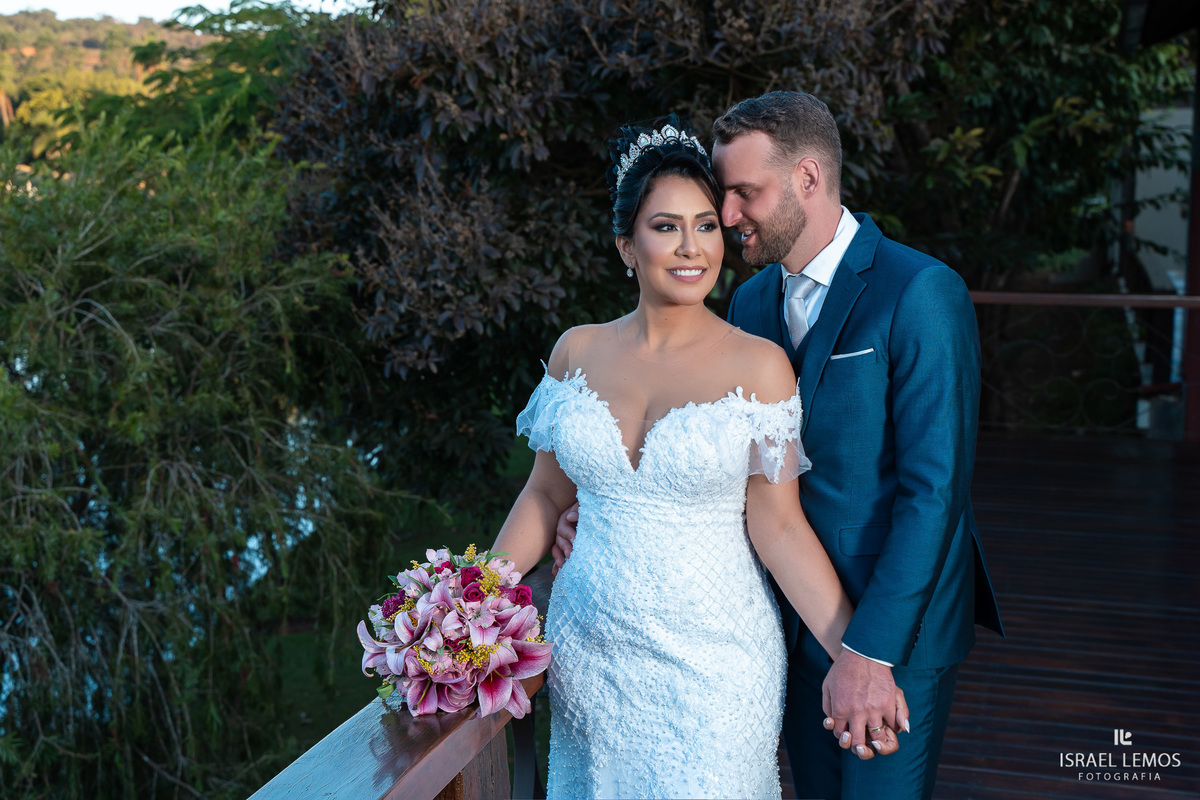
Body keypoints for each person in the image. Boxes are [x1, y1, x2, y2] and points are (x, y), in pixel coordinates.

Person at [556, 92, 1005, 800]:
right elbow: (742, 469)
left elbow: (935, 494)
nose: (728, 216)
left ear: (807, 178)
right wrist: (610, 507)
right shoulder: (753, 302)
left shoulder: (918, 292)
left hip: (893, 628)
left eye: (743, 194)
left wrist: (868, 650)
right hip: (775, 616)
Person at [490, 117, 906, 800]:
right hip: (588, 661)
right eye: (666, 227)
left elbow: (779, 528)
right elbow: (542, 496)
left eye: (707, 225)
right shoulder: (576, 352)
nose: (692, 248)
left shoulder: (760, 366)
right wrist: (475, 607)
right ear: (626, 244)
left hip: (716, 665)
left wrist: (859, 658)